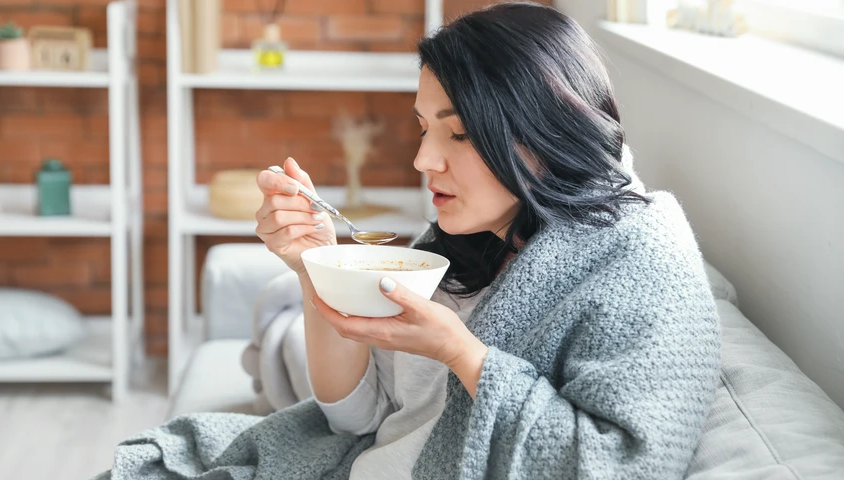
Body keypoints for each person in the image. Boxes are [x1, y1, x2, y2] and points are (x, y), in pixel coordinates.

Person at [95, 3, 720, 480]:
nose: (423, 160)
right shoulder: (476, 235)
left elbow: (623, 464)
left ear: (544, 131)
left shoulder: (641, 260)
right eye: (423, 128)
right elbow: (359, 418)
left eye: (457, 135)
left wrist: (462, 355)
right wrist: (316, 267)